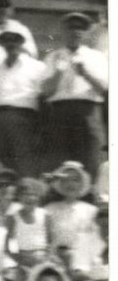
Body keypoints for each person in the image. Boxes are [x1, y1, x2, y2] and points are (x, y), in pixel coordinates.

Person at [41, 11, 108, 179]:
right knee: (59, 160)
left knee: (92, 158)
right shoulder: (53, 57)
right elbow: (46, 92)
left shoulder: (96, 57)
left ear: (86, 33)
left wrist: (85, 73)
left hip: (89, 111)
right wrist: (58, 72)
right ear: (63, 31)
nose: (75, 32)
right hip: (60, 112)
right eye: (71, 27)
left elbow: (104, 89)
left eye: (81, 28)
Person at [0, 27, 47, 177]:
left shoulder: (36, 67)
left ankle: (27, 194)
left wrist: (40, 126)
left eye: (14, 40)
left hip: (24, 117)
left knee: (24, 161)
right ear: (1, 44)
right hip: (0, 118)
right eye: (6, 41)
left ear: (21, 43)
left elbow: (44, 97)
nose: (10, 44)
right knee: (2, 161)